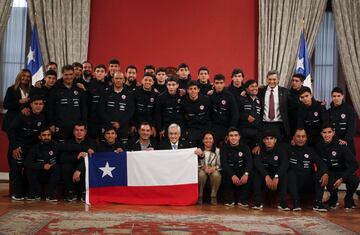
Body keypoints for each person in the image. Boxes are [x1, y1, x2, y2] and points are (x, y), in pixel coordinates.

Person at [7, 95, 46, 200]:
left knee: (31, 170)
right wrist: (14, 147)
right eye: (36, 104)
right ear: (31, 105)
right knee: (17, 170)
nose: (38, 106)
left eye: (40, 104)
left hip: (33, 149)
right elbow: (11, 130)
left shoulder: (43, 117)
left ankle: (29, 193)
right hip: (19, 147)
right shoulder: (23, 114)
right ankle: (17, 193)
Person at [315, 125, 359, 210]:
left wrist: (342, 178)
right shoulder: (318, 146)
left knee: (354, 180)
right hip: (330, 172)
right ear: (321, 134)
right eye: (324, 132)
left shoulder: (341, 145)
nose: (327, 135)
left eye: (329, 132)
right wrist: (325, 173)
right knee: (325, 178)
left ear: (333, 133)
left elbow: (354, 164)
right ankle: (333, 198)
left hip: (343, 172)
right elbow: (320, 163)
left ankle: (348, 198)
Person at [288, 129, 329, 212]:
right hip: (292, 184)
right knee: (290, 172)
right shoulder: (287, 149)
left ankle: (318, 203)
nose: (300, 139)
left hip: (307, 183)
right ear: (293, 138)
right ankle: (296, 203)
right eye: (298, 136)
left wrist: (325, 173)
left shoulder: (311, 151)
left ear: (306, 138)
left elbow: (322, 164)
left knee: (320, 173)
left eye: (303, 136)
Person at [48, 65, 87, 143]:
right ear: (62, 75)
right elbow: (50, 108)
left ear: (73, 74)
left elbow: (84, 108)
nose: (69, 77)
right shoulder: (55, 89)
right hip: (60, 126)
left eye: (71, 74)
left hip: (76, 127)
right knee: (61, 150)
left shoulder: (79, 88)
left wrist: (84, 123)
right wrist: (51, 124)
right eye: (66, 75)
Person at [253, 129, 289, 210]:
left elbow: (285, 164)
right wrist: (266, 176)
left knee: (284, 174)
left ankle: (283, 203)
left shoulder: (281, 150)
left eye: (271, 138)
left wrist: (276, 176)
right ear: (263, 140)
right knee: (256, 173)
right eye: (267, 139)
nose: (269, 141)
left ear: (275, 140)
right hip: (264, 175)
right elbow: (257, 164)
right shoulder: (259, 150)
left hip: (276, 174)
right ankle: (257, 202)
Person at [60, 123, 95, 202]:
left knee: (88, 167)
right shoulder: (68, 142)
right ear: (73, 132)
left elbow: (92, 159)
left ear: (85, 132)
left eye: (81, 130)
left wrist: (78, 170)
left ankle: (85, 192)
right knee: (65, 166)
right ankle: (71, 192)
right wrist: (76, 157)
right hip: (71, 165)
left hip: (83, 167)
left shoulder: (91, 142)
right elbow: (62, 158)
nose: (79, 132)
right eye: (77, 130)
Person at [25, 127, 61, 201]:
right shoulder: (35, 148)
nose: (47, 137)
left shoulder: (56, 146)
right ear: (39, 137)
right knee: (29, 169)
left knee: (58, 167)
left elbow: (66, 153)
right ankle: (35, 194)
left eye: (48, 135)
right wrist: (42, 166)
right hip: (39, 173)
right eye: (44, 135)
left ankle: (50, 195)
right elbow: (27, 163)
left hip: (52, 173)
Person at [99, 71, 135, 146]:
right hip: (108, 127)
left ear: (124, 80)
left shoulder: (129, 94)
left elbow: (130, 112)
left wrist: (120, 123)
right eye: (116, 78)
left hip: (123, 127)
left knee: (122, 150)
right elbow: (101, 110)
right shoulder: (106, 92)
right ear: (113, 80)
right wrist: (110, 122)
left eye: (120, 78)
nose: (118, 80)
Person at [221, 127, 252, 207]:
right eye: (231, 136)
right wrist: (232, 175)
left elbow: (249, 162)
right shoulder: (224, 148)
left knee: (251, 174)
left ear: (239, 137)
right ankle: (230, 200)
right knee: (225, 173)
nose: (233, 137)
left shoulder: (245, 147)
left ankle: (242, 201)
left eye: (235, 135)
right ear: (227, 137)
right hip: (230, 172)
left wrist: (246, 174)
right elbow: (224, 163)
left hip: (242, 171)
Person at [258, 70, 290, 141]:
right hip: (264, 125)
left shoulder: (286, 92)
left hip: (279, 126)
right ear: (266, 79)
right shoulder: (261, 91)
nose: (272, 81)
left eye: (274, 79)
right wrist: (245, 91)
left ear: (278, 80)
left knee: (279, 147)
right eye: (269, 79)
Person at [209, 74, 239, 145]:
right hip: (214, 128)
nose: (219, 85)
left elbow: (235, 115)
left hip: (226, 128)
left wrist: (230, 132)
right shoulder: (211, 96)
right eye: (217, 83)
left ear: (224, 84)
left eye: (221, 83)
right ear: (214, 84)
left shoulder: (229, 96)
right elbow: (208, 114)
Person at [181, 80, 211, 146]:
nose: (193, 91)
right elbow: (182, 119)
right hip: (191, 129)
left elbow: (210, 117)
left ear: (198, 90)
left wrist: (209, 131)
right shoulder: (183, 102)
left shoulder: (206, 100)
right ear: (187, 90)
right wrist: (185, 132)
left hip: (204, 128)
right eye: (190, 89)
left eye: (195, 88)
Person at [2, 69, 32, 133]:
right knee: (13, 142)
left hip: (27, 120)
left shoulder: (33, 89)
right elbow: (5, 105)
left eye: (28, 76)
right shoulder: (11, 89)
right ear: (19, 76)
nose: (26, 78)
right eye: (23, 75)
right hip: (13, 119)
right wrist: (19, 102)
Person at [328, 87, 356, 155]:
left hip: (347, 143)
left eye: (338, 96)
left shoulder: (350, 110)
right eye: (334, 96)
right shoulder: (328, 111)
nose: (336, 98)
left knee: (349, 164)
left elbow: (352, 127)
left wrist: (345, 140)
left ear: (342, 96)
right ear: (332, 97)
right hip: (333, 143)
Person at [196, 131, 222, 205]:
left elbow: (220, 164)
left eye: (210, 138)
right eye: (206, 138)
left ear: (213, 140)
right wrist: (203, 167)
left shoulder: (218, 151)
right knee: (201, 175)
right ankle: (200, 196)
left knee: (216, 175)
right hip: (201, 169)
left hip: (213, 169)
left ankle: (213, 196)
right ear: (203, 140)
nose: (208, 140)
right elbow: (195, 163)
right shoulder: (199, 150)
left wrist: (214, 168)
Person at [237, 80, 262, 151]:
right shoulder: (241, 99)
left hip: (256, 134)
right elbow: (236, 114)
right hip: (243, 133)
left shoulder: (260, 100)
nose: (254, 88)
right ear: (246, 89)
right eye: (252, 86)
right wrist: (246, 117)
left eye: (256, 86)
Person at [131, 73, 158, 137]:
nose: (147, 82)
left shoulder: (156, 95)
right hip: (136, 124)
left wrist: (153, 126)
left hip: (150, 125)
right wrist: (132, 124)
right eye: (145, 80)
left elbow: (156, 113)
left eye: (150, 80)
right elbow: (131, 110)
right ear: (142, 81)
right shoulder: (135, 92)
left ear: (153, 82)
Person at [86, 64, 110, 139]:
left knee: (104, 140)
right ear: (94, 73)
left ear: (106, 73)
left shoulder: (110, 86)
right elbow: (87, 104)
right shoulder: (89, 85)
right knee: (92, 139)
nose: (100, 73)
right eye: (98, 71)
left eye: (102, 71)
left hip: (106, 120)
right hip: (93, 120)